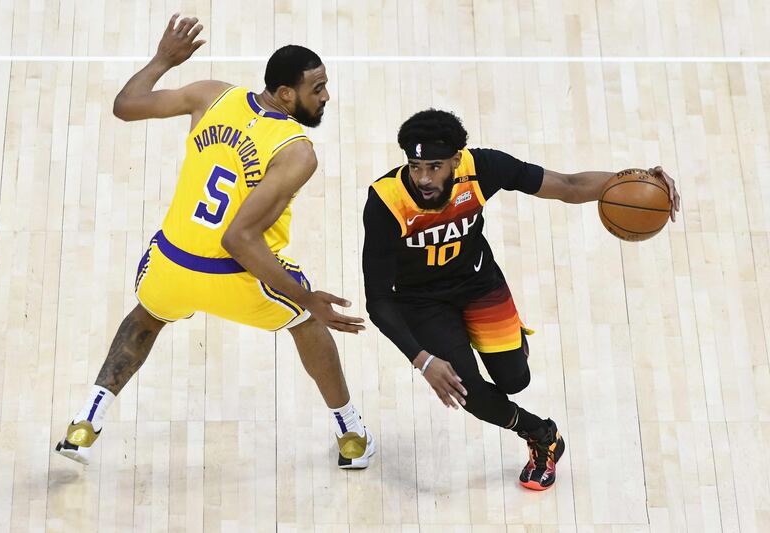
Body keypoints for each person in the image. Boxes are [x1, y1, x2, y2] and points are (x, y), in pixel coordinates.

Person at [55, 14, 374, 470]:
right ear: (286, 95)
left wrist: (163, 59)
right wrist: (307, 297)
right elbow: (240, 239)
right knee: (306, 321)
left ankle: (85, 425)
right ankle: (351, 435)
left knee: (147, 316)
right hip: (233, 276)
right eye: (316, 89)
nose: (325, 97)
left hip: (171, 261)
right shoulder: (296, 151)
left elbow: (126, 105)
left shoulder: (212, 95)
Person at [362, 109, 680, 490]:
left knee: (515, 380)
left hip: (478, 284)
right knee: (470, 393)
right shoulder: (385, 201)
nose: (424, 179)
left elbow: (568, 185)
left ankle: (508, 339)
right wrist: (423, 359)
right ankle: (541, 434)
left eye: (434, 166)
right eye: (415, 167)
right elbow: (378, 300)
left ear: (456, 160)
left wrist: (640, 181)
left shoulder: (483, 168)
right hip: (422, 303)